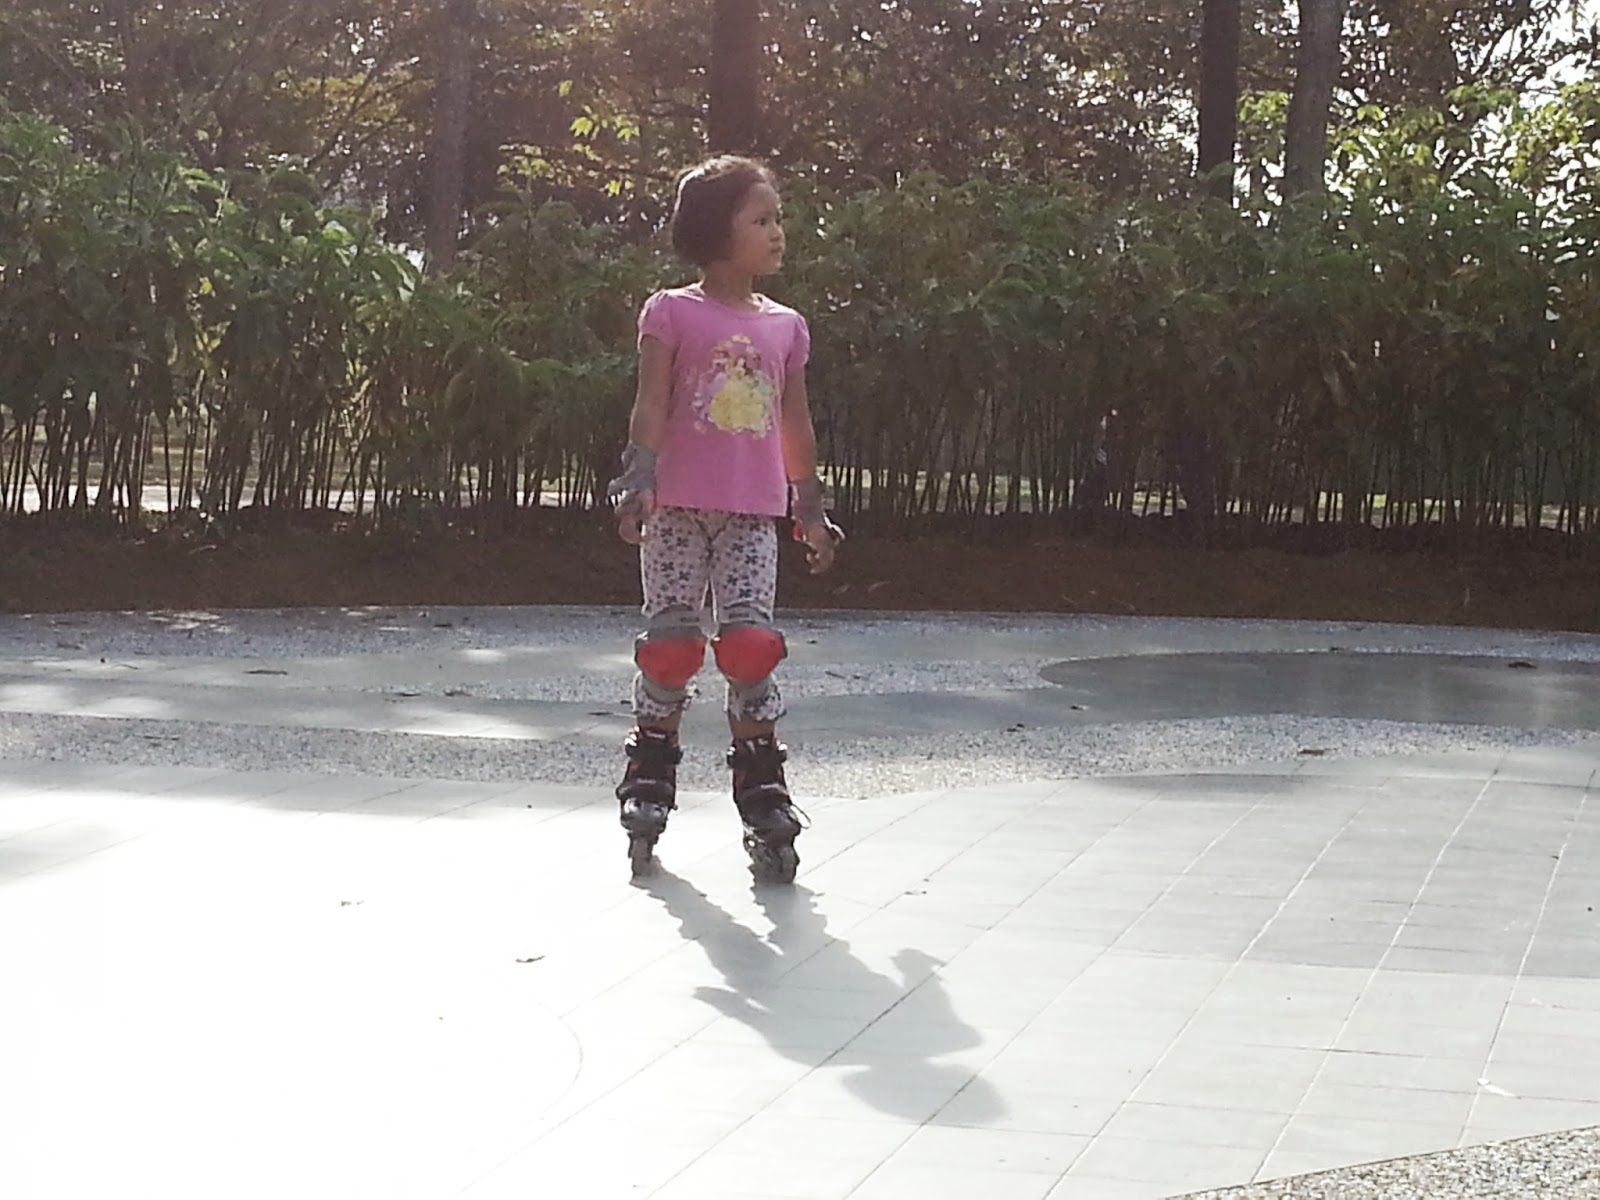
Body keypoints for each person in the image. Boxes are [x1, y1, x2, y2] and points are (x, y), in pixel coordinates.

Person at [605, 155, 843, 883]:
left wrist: (809, 505)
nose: (777, 232)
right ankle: (650, 773)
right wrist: (638, 477)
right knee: (671, 647)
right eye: (761, 220)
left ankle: (763, 789)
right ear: (716, 231)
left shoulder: (787, 327)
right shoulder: (671, 312)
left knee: (749, 647)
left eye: (778, 219)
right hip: (676, 509)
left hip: (751, 516)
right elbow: (652, 402)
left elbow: (794, 421)